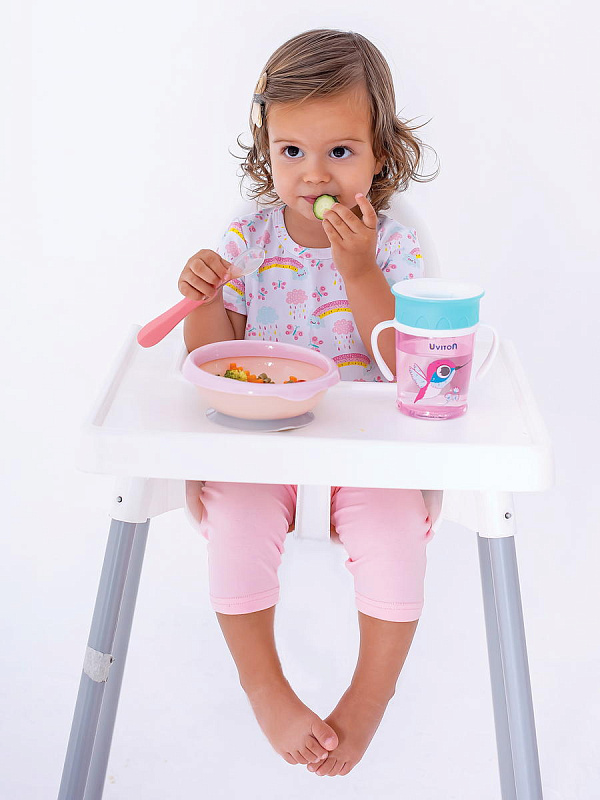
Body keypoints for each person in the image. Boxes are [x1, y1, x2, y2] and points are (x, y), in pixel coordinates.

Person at [179, 28, 439, 777]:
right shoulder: (250, 237)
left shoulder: (394, 247)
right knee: (235, 521)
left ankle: (370, 695)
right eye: (291, 150)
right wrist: (204, 296)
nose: (313, 173)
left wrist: (359, 271)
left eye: (340, 151)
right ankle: (263, 686)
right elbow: (212, 358)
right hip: (263, 440)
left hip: (367, 451)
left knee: (395, 535)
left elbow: (406, 366)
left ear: (381, 153)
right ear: (266, 149)